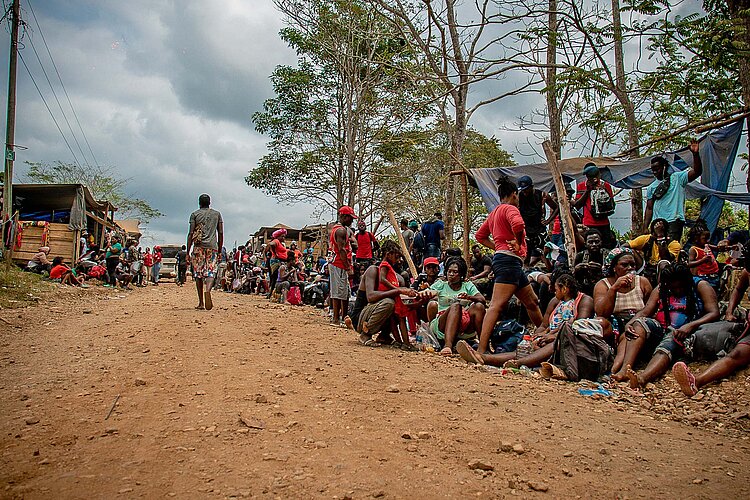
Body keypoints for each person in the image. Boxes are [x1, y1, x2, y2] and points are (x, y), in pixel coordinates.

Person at [457, 274, 594, 370]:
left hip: (570, 343)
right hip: (550, 339)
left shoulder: (584, 301)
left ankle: (514, 362)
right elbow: (544, 325)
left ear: (564, 289)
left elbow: (578, 328)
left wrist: (552, 337)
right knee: (529, 347)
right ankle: (483, 358)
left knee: (554, 345)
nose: (553, 292)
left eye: (556, 289)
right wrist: (538, 336)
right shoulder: (555, 302)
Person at [475, 175, 545, 355]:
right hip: (509, 261)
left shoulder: (495, 213)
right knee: (496, 305)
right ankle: (482, 350)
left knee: (532, 302)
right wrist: (518, 241)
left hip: (509, 261)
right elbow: (519, 224)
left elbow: (480, 236)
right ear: (514, 194)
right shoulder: (510, 209)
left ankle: (544, 336)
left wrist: (498, 246)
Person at [621, 264, 719, 388]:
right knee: (639, 324)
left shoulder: (701, 285)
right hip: (661, 328)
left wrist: (691, 325)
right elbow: (646, 312)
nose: (677, 291)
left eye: (680, 287)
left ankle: (642, 378)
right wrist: (630, 323)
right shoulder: (662, 288)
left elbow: (714, 312)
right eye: (673, 288)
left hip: (685, 334)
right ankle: (625, 369)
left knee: (669, 342)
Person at [673, 263, 750, 396]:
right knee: (736, 354)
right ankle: (696, 382)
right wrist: (729, 311)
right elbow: (738, 289)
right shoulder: (747, 273)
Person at [594, 248, 653, 374]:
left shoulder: (642, 282)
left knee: (629, 334)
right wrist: (614, 288)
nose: (630, 268)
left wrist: (632, 322)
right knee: (599, 322)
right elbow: (602, 313)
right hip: (614, 326)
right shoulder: (603, 285)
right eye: (624, 265)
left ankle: (615, 370)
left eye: (632, 265)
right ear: (614, 268)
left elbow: (650, 308)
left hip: (636, 324)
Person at [417, 257, 486, 355]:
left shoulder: (467, 285)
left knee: (479, 307)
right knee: (456, 306)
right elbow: (431, 291)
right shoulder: (441, 284)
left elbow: (482, 299)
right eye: (449, 271)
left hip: (463, 324)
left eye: (455, 272)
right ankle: (447, 345)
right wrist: (424, 293)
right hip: (443, 323)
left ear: (461, 274)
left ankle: (483, 346)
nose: (451, 274)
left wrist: (469, 297)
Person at [644, 139, 703, 240]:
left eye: (657, 169)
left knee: (671, 249)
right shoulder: (651, 187)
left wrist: (695, 154)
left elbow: (697, 172)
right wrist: (645, 227)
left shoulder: (677, 178)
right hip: (657, 223)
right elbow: (649, 208)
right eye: (653, 170)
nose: (655, 172)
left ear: (664, 167)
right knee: (657, 251)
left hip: (674, 221)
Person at [353, 263, 416, 347]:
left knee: (398, 309)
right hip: (359, 318)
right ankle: (365, 335)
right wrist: (397, 291)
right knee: (389, 303)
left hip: (374, 314)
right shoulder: (373, 270)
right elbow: (370, 297)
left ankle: (384, 336)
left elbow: (398, 317)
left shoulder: (397, 279)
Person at [186, 193, 224, 310]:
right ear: (209, 203)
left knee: (198, 273)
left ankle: (201, 302)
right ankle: (208, 290)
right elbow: (221, 233)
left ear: (199, 203)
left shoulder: (194, 214)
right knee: (211, 271)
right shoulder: (217, 214)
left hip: (198, 247)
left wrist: (188, 251)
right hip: (212, 246)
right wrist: (219, 249)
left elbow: (191, 233)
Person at [377, 240, 415, 349]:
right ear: (388, 254)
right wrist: (398, 290)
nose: (398, 260)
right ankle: (406, 343)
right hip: (393, 295)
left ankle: (399, 341)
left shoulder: (387, 266)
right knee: (401, 319)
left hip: (391, 295)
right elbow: (382, 279)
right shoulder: (384, 265)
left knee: (393, 320)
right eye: (396, 256)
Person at [626, 218, 680, 285]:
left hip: (665, 271)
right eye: (654, 233)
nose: (655, 236)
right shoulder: (648, 239)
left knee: (663, 264)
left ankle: (660, 288)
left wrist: (660, 236)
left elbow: (665, 258)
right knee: (630, 251)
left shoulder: (674, 244)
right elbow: (625, 246)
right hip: (646, 268)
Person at [516, 175, 557, 265]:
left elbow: (556, 208)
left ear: (531, 186)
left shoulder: (542, 195)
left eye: (526, 189)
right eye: (523, 190)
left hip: (539, 230)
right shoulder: (519, 196)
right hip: (526, 230)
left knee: (547, 254)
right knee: (525, 256)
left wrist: (548, 221)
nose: (525, 192)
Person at [574, 164, 616, 249]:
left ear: (599, 175)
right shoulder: (582, 186)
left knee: (606, 247)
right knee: (589, 247)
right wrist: (587, 191)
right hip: (589, 223)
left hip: (604, 223)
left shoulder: (606, 185)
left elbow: (612, 205)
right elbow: (577, 205)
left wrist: (603, 192)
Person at [329, 206, 357, 326]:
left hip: (340, 263)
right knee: (338, 291)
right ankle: (335, 318)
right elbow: (341, 250)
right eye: (350, 218)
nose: (352, 221)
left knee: (344, 291)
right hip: (339, 264)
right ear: (344, 217)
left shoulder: (341, 229)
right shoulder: (340, 231)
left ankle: (343, 316)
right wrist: (347, 268)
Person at [574, 229, 606, 297]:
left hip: (605, 288)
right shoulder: (581, 256)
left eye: (596, 242)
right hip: (585, 290)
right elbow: (574, 277)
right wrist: (576, 269)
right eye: (591, 242)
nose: (594, 244)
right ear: (585, 244)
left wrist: (601, 269)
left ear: (601, 242)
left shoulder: (608, 255)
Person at [268, 229, 289, 294]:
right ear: (278, 236)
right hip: (276, 261)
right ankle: (271, 293)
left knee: (276, 277)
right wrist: (275, 253)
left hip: (280, 260)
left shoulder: (280, 243)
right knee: (275, 277)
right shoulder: (276, 241)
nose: (283, 238)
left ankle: (272, 292)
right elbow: (271, 244)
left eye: (284, 236)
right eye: (282, 236)